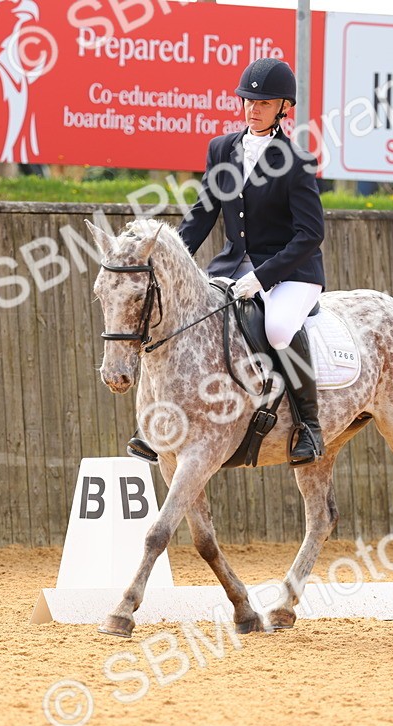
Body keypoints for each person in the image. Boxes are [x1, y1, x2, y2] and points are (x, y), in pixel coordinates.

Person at [127, 58, 326, 467]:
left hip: (291, 272)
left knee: (278, 326)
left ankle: (308, 424)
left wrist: (262, 278)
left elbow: (310, 235)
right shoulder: (222, 149)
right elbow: (203, 213)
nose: (253, 109)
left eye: (264, 102)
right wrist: (168, 257)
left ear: (283, 107)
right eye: (248, 100)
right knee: (185, 320)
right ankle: (157, 425)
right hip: (233, 263)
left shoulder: (298, 161)